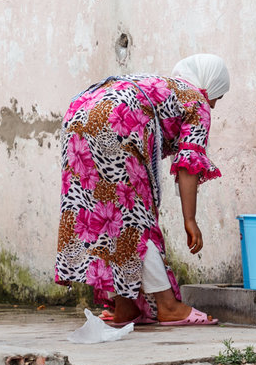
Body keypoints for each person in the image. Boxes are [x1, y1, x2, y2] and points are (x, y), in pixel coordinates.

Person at [55, 54, 229, 326]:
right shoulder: (197, 101)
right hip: (117, 120)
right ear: (210, 86)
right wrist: (190, 219)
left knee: (110, 213)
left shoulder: (166, 87)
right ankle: (168, 306)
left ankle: (126, 307)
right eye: (219, 96)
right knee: (136, 218)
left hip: (79, 112)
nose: (216, 105)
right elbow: (188, 166)